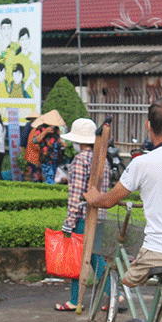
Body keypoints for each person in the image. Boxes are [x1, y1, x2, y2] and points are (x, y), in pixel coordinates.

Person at [85, 96, 162, 287]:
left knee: (126, 282)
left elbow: (109, 200)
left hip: (156, 251)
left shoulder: (142, 163)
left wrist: (95, 199)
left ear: (147, 125)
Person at [55, 117, 111, 311]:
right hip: (100, 214)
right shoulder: (101, 158)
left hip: (83, 217)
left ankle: (75, 300)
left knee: (78, 258)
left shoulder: (80, 159)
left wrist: (69, 221)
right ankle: (115, 295)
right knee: (95, 257)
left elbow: (76, 196)